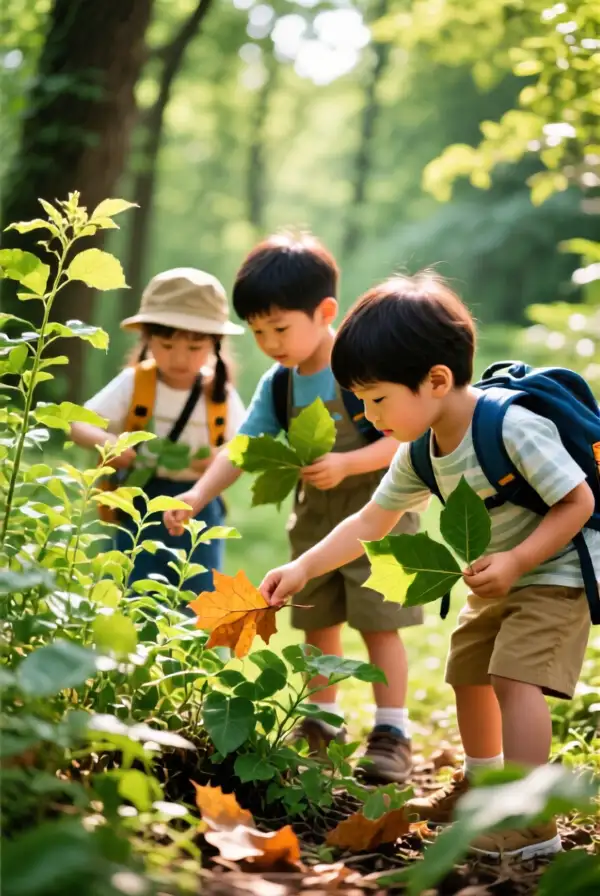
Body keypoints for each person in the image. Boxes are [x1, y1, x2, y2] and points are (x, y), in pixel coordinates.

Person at [257, 271, 594, 860]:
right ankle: (482, 786)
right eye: (359, 399)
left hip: (554, 569)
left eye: (377, 398)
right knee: (469, 672)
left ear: (437, 380)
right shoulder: (419, 450)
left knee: (515, 678)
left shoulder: (512, 427)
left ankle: (530, 820)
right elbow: (369, 523)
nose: (366, 412)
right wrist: (305, 567)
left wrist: (516, 559)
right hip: (496, 577)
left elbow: (578, 501)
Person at [164, 233, 423, 783]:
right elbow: (243, 448)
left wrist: (349, 464)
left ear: (325, 311)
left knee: (380, 624)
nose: (269, 342)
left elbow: (403, 438)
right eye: (258, 332)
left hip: (381, 512)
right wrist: (197, 493)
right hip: (313, 520)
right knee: (317, 620)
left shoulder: (361, 366)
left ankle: (392, 731)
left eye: (280, 328)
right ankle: (322, 722)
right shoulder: (279, 384)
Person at [71, 267, 246, 594]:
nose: (179, 358)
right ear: (147, 339)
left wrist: (218, 461)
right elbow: (78, 424)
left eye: (194, 349)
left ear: (214, 345)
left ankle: (191, 645)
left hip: (199, 501)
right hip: (141, 497)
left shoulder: (217, 393)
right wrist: (110, 443)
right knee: (131, 584)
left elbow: (244, 445)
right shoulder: (135, 382)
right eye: (166, 345)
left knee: (198, 590)